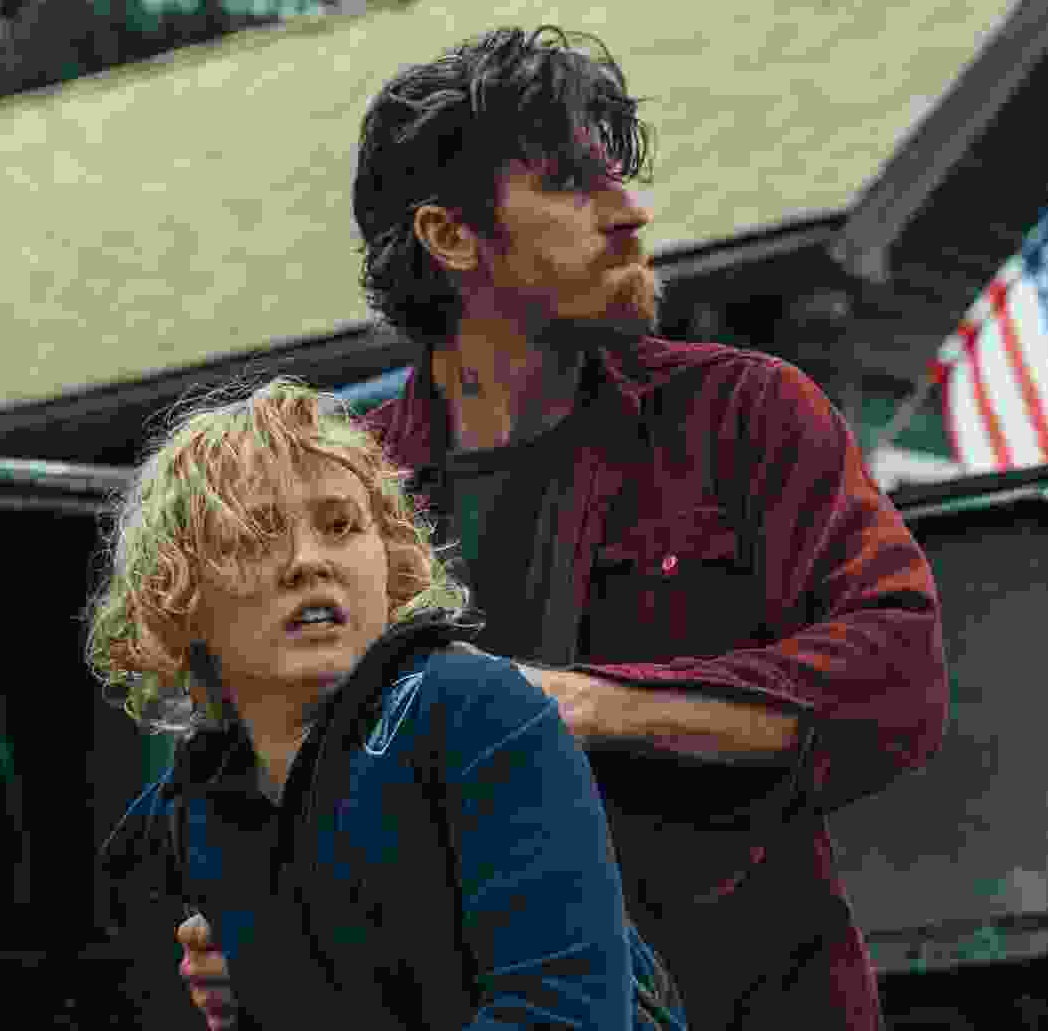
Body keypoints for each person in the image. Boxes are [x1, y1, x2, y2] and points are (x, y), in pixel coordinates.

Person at [173, 26, 949, 1030]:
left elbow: (897, 678)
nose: (631, 212)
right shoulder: (340, 486)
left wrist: (583, 706)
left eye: (619, 177)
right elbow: (259, 766)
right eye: (573, 184)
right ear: (451, 237)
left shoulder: (747, 414)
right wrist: (254, 936)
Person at [91, 377, 686, 1029]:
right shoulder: (184, 817)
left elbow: (563, 1015)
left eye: (340, 525)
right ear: (180, 597)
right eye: (257, 534)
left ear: (390, 563)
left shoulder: (473, 712)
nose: (307, 562)